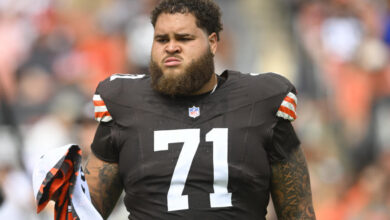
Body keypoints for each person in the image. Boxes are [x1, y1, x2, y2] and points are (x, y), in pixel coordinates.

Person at [85, 0, 316, 219]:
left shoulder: (261, 100)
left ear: (213, 42)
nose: (171, 47)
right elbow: (86, 213)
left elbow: (298, 213)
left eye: (184, 38)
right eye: (162, 40)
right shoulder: (125, 103)